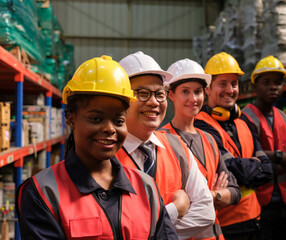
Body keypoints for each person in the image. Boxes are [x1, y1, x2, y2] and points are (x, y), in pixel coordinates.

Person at [16, 55, 178, 240]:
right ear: (71, 118)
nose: (110, 129)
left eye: (118, 121)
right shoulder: (42, 192)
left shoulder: (146, 188)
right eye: (96, 119)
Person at [115, 51, 215, 239]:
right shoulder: (106, 156)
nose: (154, 102)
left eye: (160, 94)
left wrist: (148, 230)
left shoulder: (177, 147)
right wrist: (175, 210)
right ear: (121, 98)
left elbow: (205, 214)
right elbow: (113, 229)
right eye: (143, 93)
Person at [159, 58, 241, 240]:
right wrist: (218, 196)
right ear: (171, 95)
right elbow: (166, 202)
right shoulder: (160, 141)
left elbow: (235, 192)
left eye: (197, 92)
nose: (193, 99)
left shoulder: (209, 140)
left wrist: (207, 196)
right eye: (185, 92)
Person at [194, 52, 273, 240]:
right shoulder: (200, 126)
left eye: (234, 84)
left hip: (254, 218)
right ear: (208, 88)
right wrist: (254, 166)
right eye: (223, 84)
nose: (230, 90)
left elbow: (268, 170)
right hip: (225, 225)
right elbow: (230, 169)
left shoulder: (243, 123)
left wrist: (246, 167)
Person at [241, 55, 286, 240]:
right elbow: (247, 166)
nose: (273, 86)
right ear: (255, 85)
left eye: (278, 83)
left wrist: (276, 155)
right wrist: (285, 164)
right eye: (267, 82)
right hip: (258, 207)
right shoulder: (244, 119)